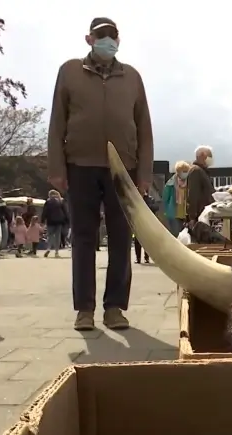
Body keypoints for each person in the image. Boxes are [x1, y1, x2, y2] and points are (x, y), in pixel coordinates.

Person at [47, 17, 153, 331]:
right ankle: (84, 309)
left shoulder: (131, 76)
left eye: (113, 36)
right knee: (82, 238)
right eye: (101, 36)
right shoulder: (69, 71)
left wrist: (144, 173)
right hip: (80, 165)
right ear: (89, 39)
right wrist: (56, 168)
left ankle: (115, 308)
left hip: (124, 168)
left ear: (119, 41)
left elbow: (144, 127)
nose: (108, 40)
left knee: (121, 236)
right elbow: (57, 122)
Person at [186, 146, 215, 226]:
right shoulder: (196, 171)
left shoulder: (202, 171)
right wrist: (192, 217)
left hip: (205, 214)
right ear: (203, 155)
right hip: (200, 216)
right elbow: (193, 194)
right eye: (210, 156)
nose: (211, 159)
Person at [162, 160, 190, 236]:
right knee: (175, 234)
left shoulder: (190, 183)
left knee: (185, 235)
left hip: (186, 214)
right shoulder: (170, 184)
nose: (185, 173)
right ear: (178, 172)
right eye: (183, 171)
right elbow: (165, 199)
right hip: (174, 214)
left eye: (186, 171)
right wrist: (164, 212)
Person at [40, 189, 68, 258]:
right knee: (58, 236)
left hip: (50, 221)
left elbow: (45, 211)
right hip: (59, 221)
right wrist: (67, 221)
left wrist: (42, 220)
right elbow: (65, 211)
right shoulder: (61, 201)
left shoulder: (48, 202)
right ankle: (56, 252)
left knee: (50, 235)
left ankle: (49, 248)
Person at [134, 192, 158, 263]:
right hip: (138, 222)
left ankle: (146, 257)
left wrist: (147, 206)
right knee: (137, 241)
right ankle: (138, 258)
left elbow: (156, 207)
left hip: (147, 222)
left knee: (147, 241)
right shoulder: (136, 198)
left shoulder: (150, 199)